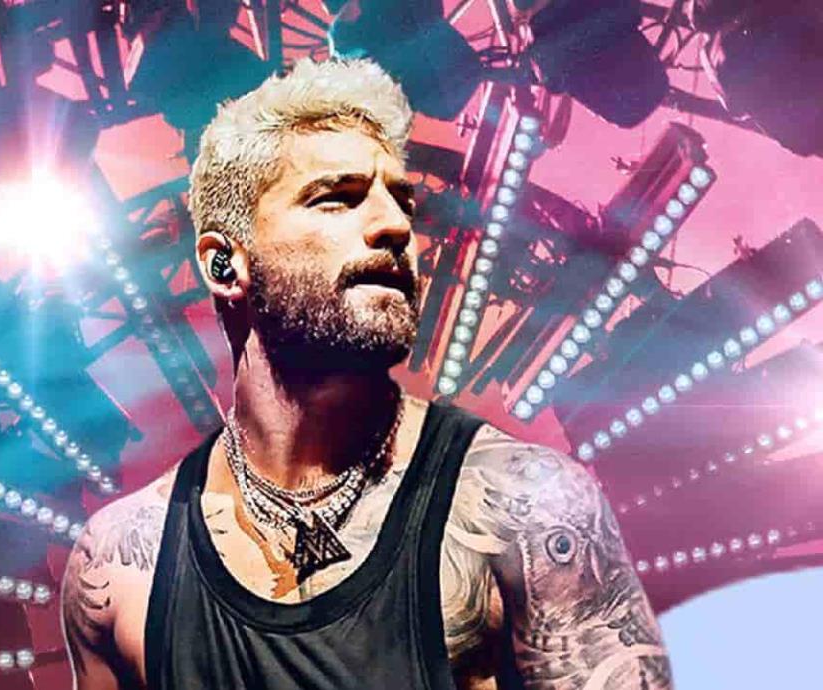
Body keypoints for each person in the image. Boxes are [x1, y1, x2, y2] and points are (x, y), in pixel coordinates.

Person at [61, 58, 672, 690]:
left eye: (401, 201)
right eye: (336, 198)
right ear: (224, 266)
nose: (395, 226)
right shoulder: (116, 565)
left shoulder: (528, 508)